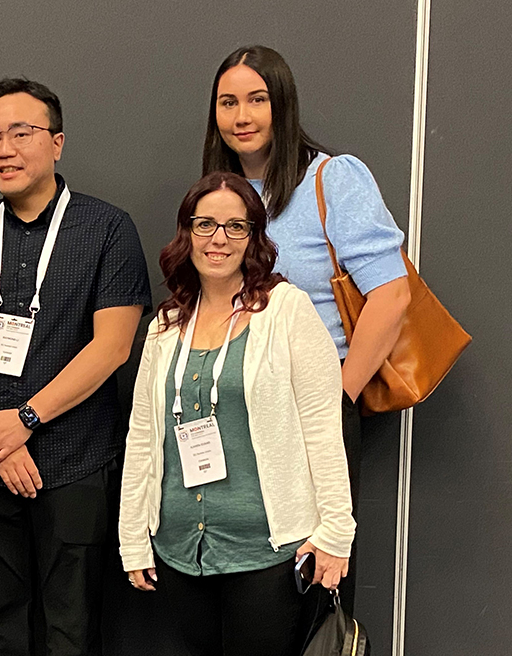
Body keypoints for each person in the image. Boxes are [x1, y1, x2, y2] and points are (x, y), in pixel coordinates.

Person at [202, 44, 409, 610]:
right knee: (248, 597)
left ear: (282, 104)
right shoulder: (222, 196)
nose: (241, 116)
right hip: (236, 415)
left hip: (312, 412)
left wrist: (335, 397)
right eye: (227, 102)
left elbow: (390, 296)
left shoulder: (331, 178)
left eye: (256, 100)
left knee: (312, 587)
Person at [0, 78, 151, 656]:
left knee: (72, 626)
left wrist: (27, 421)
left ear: (58, 143)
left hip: (75, 461)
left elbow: (113, 347)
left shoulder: (106, 229)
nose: (4, 149)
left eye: (22, 133)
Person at [119, 171, 355, 655]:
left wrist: (336, 533)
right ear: (187, 233)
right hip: (183, 549)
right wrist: (133, 537)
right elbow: (143, 437)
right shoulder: (165, 325)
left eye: (236, 226)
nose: (218, 239)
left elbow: (323, 428)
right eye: (204, 224)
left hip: (267, 550)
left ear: (254, 237)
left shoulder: (286, 310)